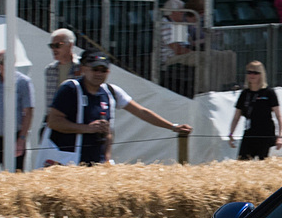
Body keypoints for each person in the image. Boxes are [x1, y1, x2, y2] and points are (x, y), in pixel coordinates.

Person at [44, 50, 189, 166]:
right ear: (83, 69)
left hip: (96, 163)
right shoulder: (70, 88)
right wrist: (87, 128)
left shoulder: (111, 92)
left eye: (103, 70)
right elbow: (54, 122)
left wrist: (173, 126)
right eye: (95, 69)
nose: (99, 74)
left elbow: (142, 112)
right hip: (66, 162)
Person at [228, 61, 282, 159]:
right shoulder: (244, 93)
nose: (252, 75)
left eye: (255, 73)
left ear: (261, 75)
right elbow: (236, 117)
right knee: (242, 161)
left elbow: (278, 116)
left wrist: (279, 137)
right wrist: (231, 134)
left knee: (264, 163)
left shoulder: (268, 92)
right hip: (249, 133)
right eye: (249, 72)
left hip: (266, 134)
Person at [42, 28, 77, 106]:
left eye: (57, 45)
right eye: (52, 46)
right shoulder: (50, 70)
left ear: (70, 45)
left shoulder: (82, 67)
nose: (54, 49)